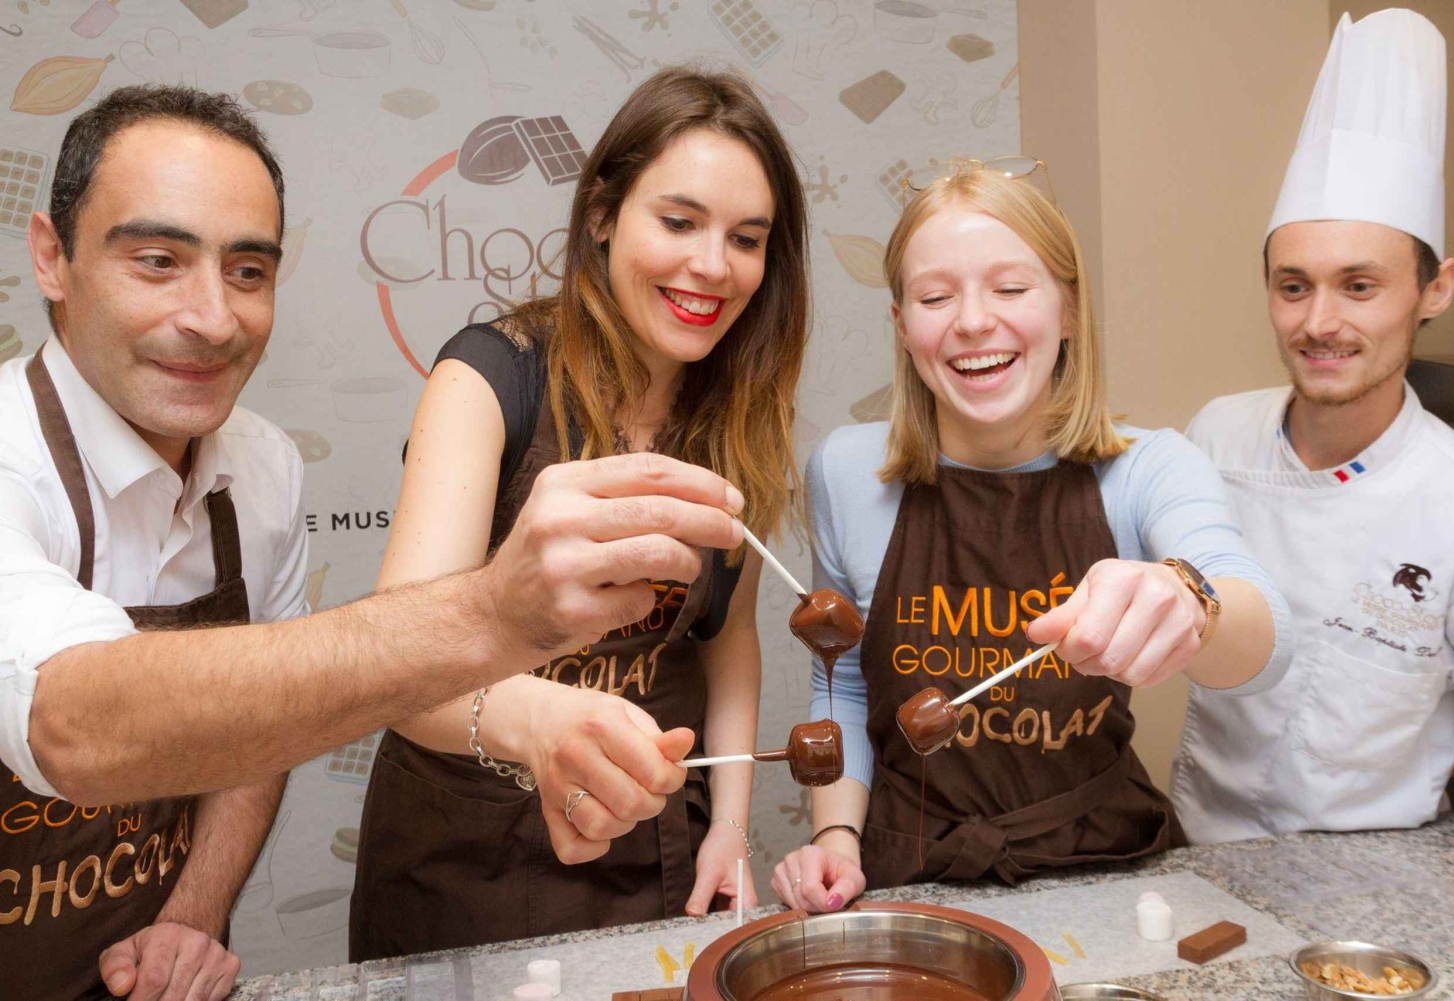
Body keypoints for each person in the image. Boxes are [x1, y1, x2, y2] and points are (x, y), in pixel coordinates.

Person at [3, 86, 742, 999]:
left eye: (247, 271)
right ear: (53, 256)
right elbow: (72, 722)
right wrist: (490, 617)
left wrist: (190, 916)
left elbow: (261, 729)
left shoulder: (260, 466)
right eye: (157, 261)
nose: (213, 316)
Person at [348, 66, 809, 957]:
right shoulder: (488, 376)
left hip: (659, 857)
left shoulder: (741, 414)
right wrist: (546, 723)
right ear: (601, 214)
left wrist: (730, 826)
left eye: (747, 238)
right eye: (679, 222)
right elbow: (401, 669)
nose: (714, 265)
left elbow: (728, 642)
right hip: (471, 863)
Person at [770, 159, 1292, 914]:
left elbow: (1267, 645)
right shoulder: (847, 472)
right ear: (903, 325)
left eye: (1011, 289)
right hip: (908, 866)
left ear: (1070, 309)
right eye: (935, 296)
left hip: (1105, 865)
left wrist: (1190, 600)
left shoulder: (1150, 468)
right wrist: (836, 838)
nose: (973, 321)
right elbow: (844, 678)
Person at [1172, 9, 1454, 843]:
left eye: (1359, 286)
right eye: (1294, 286)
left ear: (1436, 288)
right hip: (1197, 856)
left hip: (1381, 870)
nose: (1319, 322)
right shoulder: (1214, 436)